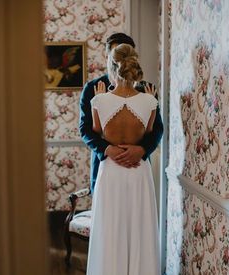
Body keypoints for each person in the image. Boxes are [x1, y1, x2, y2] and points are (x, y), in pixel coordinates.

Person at [86, 43, 161, 275]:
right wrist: (150, 101)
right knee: (140, 226)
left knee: (110, 227)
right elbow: (149, 132)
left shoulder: (99, 100)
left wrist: (98, 101)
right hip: (138, 171)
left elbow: (97, 131)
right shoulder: (150, 101)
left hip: (111, 171)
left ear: (113, 66)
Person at [79, 32, 163, 193]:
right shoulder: (93, 89)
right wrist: (107, 149)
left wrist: (142, 149)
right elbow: (85, 130)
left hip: (137, 165)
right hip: (105, 164)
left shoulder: (146, 90)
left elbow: (157, 128)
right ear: (107, 56)